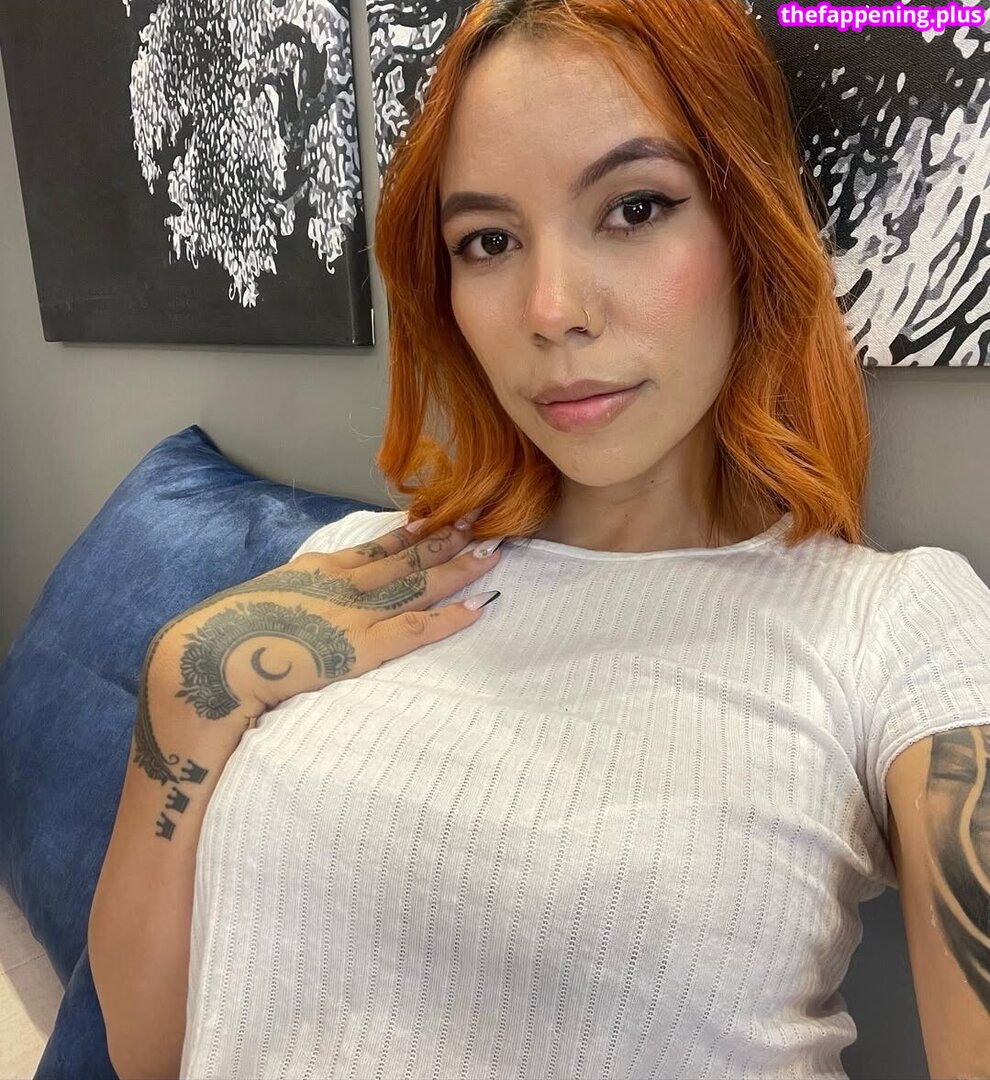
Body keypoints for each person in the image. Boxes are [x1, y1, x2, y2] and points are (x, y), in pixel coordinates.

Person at [90, 2, 990, 1078]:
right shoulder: (356, 566)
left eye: (635, 208)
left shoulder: (897, 626)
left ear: (748, 229)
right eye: (489, 241)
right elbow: (153, 1054)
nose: (551, 310)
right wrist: (184, 686)